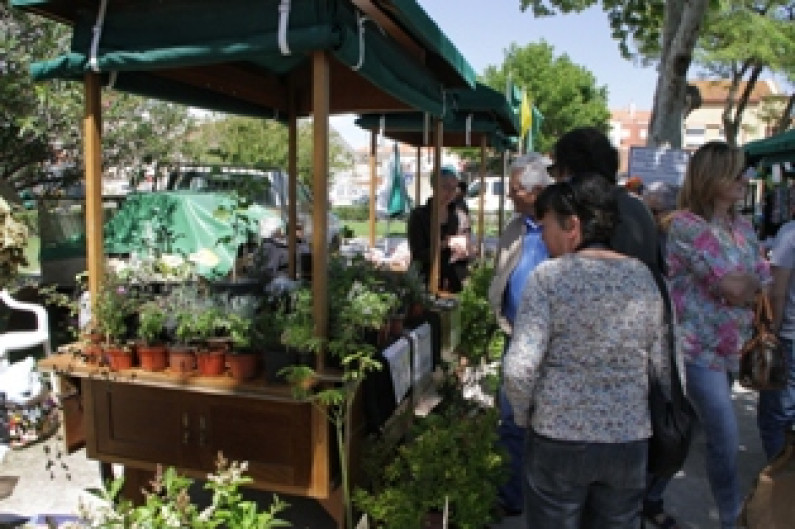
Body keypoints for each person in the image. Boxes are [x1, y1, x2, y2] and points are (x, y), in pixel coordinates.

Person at [504, 173, 667, 529]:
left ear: (573, 226)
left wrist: (524, 415)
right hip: (627, 439)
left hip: (558, 437)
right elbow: (666, 368)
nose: (542, 238)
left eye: (546, 226)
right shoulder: (643, 278)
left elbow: (519, 370)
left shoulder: (549, 278)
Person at [552, 127, 680, 528]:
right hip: (633, 399)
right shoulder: (638, 209)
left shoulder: (587, 215)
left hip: (579, 402)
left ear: (573, 171)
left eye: (559, 171)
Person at [666, 141, 771, 529]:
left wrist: (747, 284)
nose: (745, 179)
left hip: (732, 347)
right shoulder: (685, 225)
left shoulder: (741, 227)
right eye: (736, 173)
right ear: (713, 178)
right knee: (724, 433)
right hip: (697, 349)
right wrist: (746, 283)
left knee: (691, 426)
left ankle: (650, 493)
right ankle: (731, 517)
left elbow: (762, 280)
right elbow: (734, 287)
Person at [487, 152, 552, 516]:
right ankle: (511, 496)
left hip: (552, 341)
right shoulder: (516, 226)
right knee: (511, 418)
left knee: (544, 422)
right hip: (517, 334)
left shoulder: (560, 226)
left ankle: (541, 495)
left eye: (516, 189)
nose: (510, 195)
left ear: (537, 190)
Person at [757, 217, 795, 460]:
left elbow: (778, 291)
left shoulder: (790, 234)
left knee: (777, 414)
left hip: (790, 336)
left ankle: (780, 472)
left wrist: (772, 331)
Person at [407, 167, 469, 293]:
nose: (450, 193)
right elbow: (418, 254)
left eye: (454, 188)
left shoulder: (460, 216)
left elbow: (466, 247)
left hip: (454, 281)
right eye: (445, 187)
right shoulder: (419, 216)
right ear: (434, 187)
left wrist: (467, 250)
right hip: (425, 280)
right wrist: (444, 244)